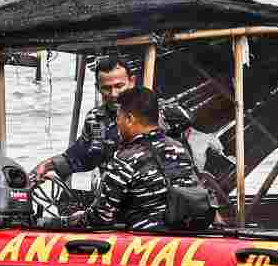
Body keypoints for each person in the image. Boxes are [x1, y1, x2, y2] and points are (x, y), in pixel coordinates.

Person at [31, 55, 193, 180]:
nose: (114, 94)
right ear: (98, 88)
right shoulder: (96, 119)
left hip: (160, 197)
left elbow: (190, 132)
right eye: (107, 88)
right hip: (115, 196)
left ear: (132, 82)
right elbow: (84, 156)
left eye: (119, 86)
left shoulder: (159, 111)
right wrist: (46, 165)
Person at [76, 87, 209, 231]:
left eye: (118, 118)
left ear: (129, 119)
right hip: (184, 237)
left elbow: (101, 217)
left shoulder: (125, 159)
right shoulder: (179, 149)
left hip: (145, 242)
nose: (118, 124)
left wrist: (70, 221)